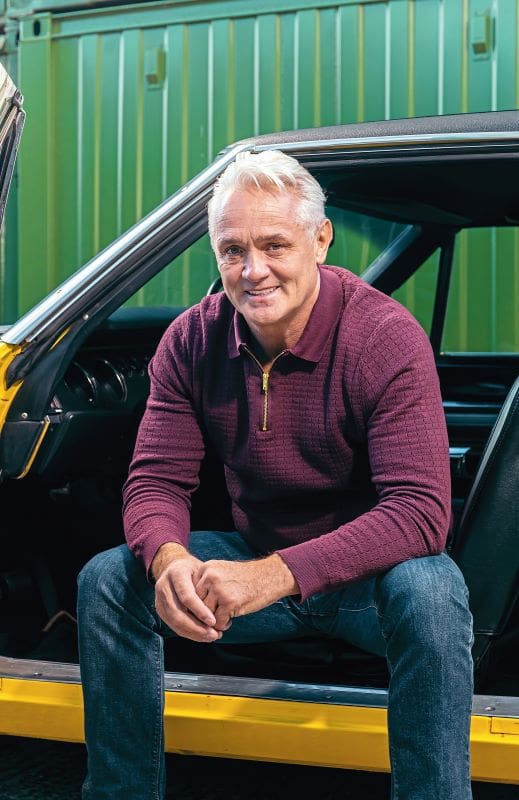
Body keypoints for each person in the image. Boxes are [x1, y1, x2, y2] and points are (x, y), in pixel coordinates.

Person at [77, 150, 473, 800]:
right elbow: (155, 482)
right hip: (247, 565)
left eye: (273, 246)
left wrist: (273, 575)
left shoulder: (382, 336)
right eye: (232, 250)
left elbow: (420, 513)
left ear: (319, 240)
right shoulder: (190, 340)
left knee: (430, 590)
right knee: (109, 580)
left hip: (362, 585)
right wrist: (170, 561)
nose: (252, 271)